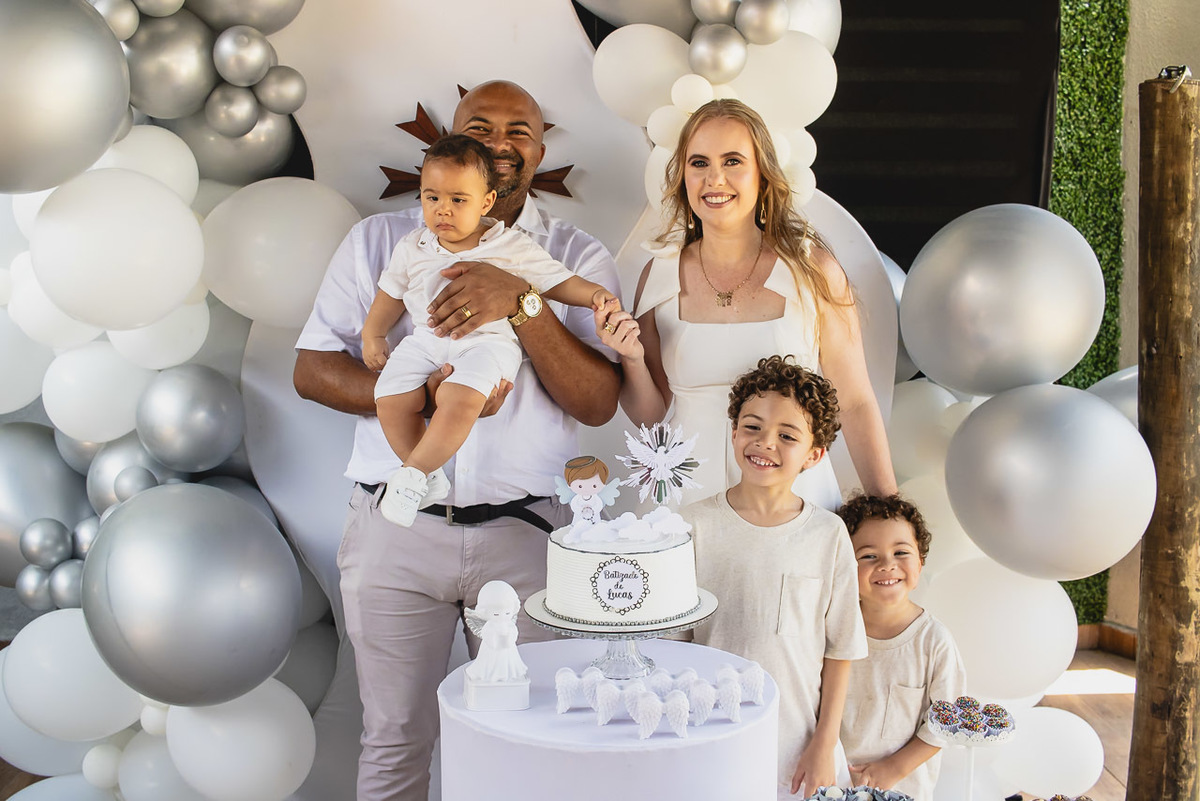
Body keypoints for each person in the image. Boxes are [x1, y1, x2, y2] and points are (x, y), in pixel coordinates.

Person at [293, 80, 621, 801]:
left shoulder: (571, 253)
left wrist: (523, 303)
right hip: (396, 530)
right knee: (393, 738)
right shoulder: (383, 240)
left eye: (519, 132)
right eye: (482, 125)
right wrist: (425, 397)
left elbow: (599, 401)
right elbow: (313, 370)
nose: (501, 143)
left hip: (527, 535)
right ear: (452, 137)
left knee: (535, 741)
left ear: (538, 152)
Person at [597, 98, 897, 509]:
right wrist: (630, 359)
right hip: (687, 505)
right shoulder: (659, 274)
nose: (714, 178)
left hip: (794, 502)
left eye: (733, 161)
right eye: (698, 163)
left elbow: (857, 402)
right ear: (683, 176)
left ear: (763, 175)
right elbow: (650, 415)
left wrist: (889, 513)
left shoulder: (813, 270)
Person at [362, 133, 617, 525]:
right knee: (389, 396)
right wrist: (373, 334)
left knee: (460, 397)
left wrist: (595, 295)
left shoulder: (509, 246)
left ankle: (408, 478)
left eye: (457, 200)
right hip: (426, 340)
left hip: (487, 345)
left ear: (486, 202)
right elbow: (390, 293)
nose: (442, 210)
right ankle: (422, 472)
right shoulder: (412, 246)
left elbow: (557, 282)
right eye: (432, 198)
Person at [684, 355, 867, 798]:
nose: (765, 443)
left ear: (814, 454)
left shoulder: (828, 534)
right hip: (710, 734)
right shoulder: (691, 525)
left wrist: (825, 744)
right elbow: (675, 644)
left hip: (798, 748)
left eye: (787, 435)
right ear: (733, 433)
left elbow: (840, 650)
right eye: (752, 427)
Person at [837, 493, 966, 801]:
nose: (887, 565)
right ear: (843, 566)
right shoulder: (834, 631)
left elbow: (946, 721)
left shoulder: (934, 641)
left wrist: (893, 768)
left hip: (903, 788)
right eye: (868, 556)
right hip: (834, 782)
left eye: (900, 552)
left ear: (920, 564)